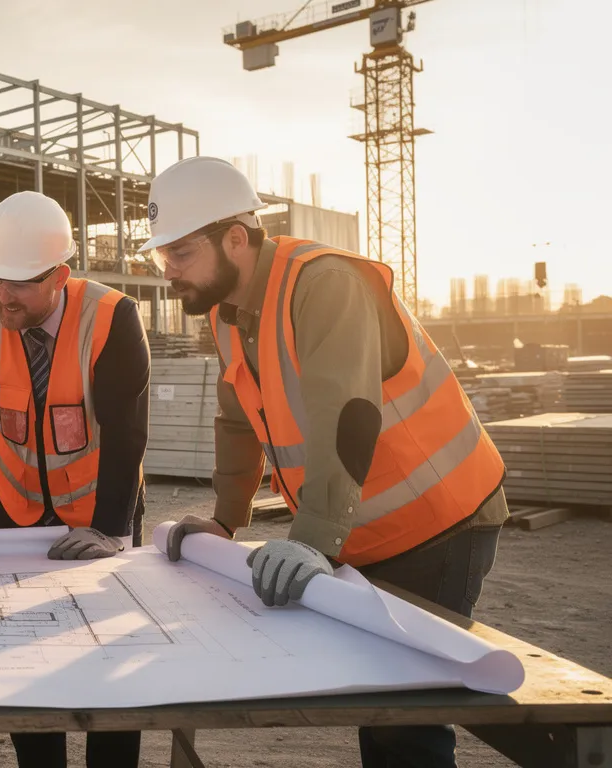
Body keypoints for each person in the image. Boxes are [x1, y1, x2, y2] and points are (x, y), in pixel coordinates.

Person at [150, 157, 509, 768]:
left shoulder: (324, 284)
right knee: (378, 702)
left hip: (438, 519)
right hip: (364, 528)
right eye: (162, 259)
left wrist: (313, 538)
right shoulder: (228, 311)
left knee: (406, 718)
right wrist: (227, 521)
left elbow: (349, 413)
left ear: (235, 237)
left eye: (180, 254)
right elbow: (238, 420)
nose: (169, 273)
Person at [0, 191, 149, 768]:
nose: (2, 294)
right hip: (16, 511)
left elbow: (126, 432)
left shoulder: (111, 316)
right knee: (25, 656)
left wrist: (110, 529)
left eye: (18, 283)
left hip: (101, 512)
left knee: (106, 660)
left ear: (60, 275)